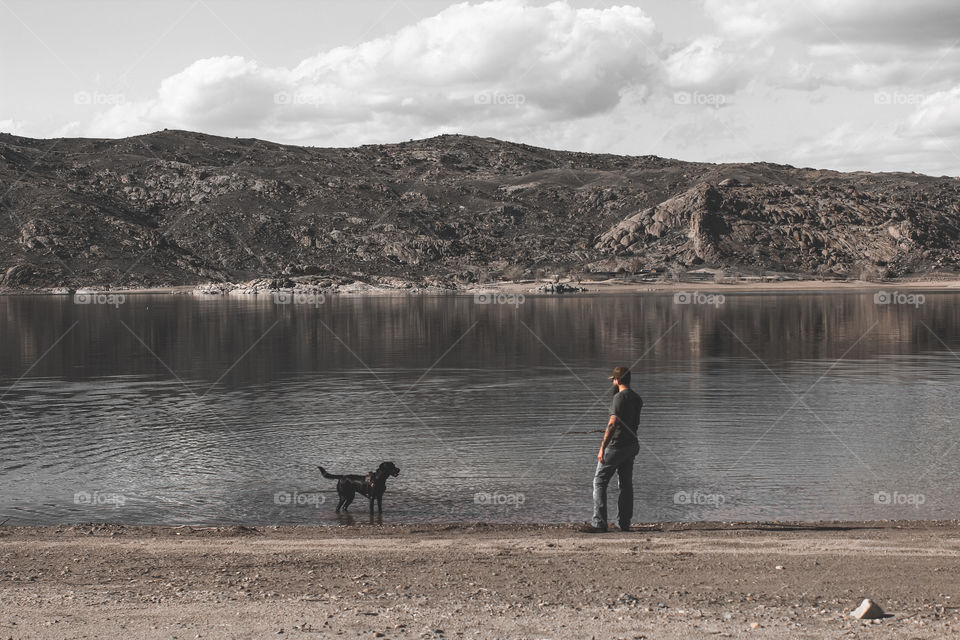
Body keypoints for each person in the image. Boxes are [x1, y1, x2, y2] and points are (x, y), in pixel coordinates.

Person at [582, 366, 643, 533]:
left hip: (617, 446)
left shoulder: (619, 398)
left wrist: (602, 447)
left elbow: (612, 424)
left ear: (617, 380)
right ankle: (624, 523)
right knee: (625, 485)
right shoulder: (637, 398)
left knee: (599, 481)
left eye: (614, 380)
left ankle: (599, 523)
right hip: (632, 445)